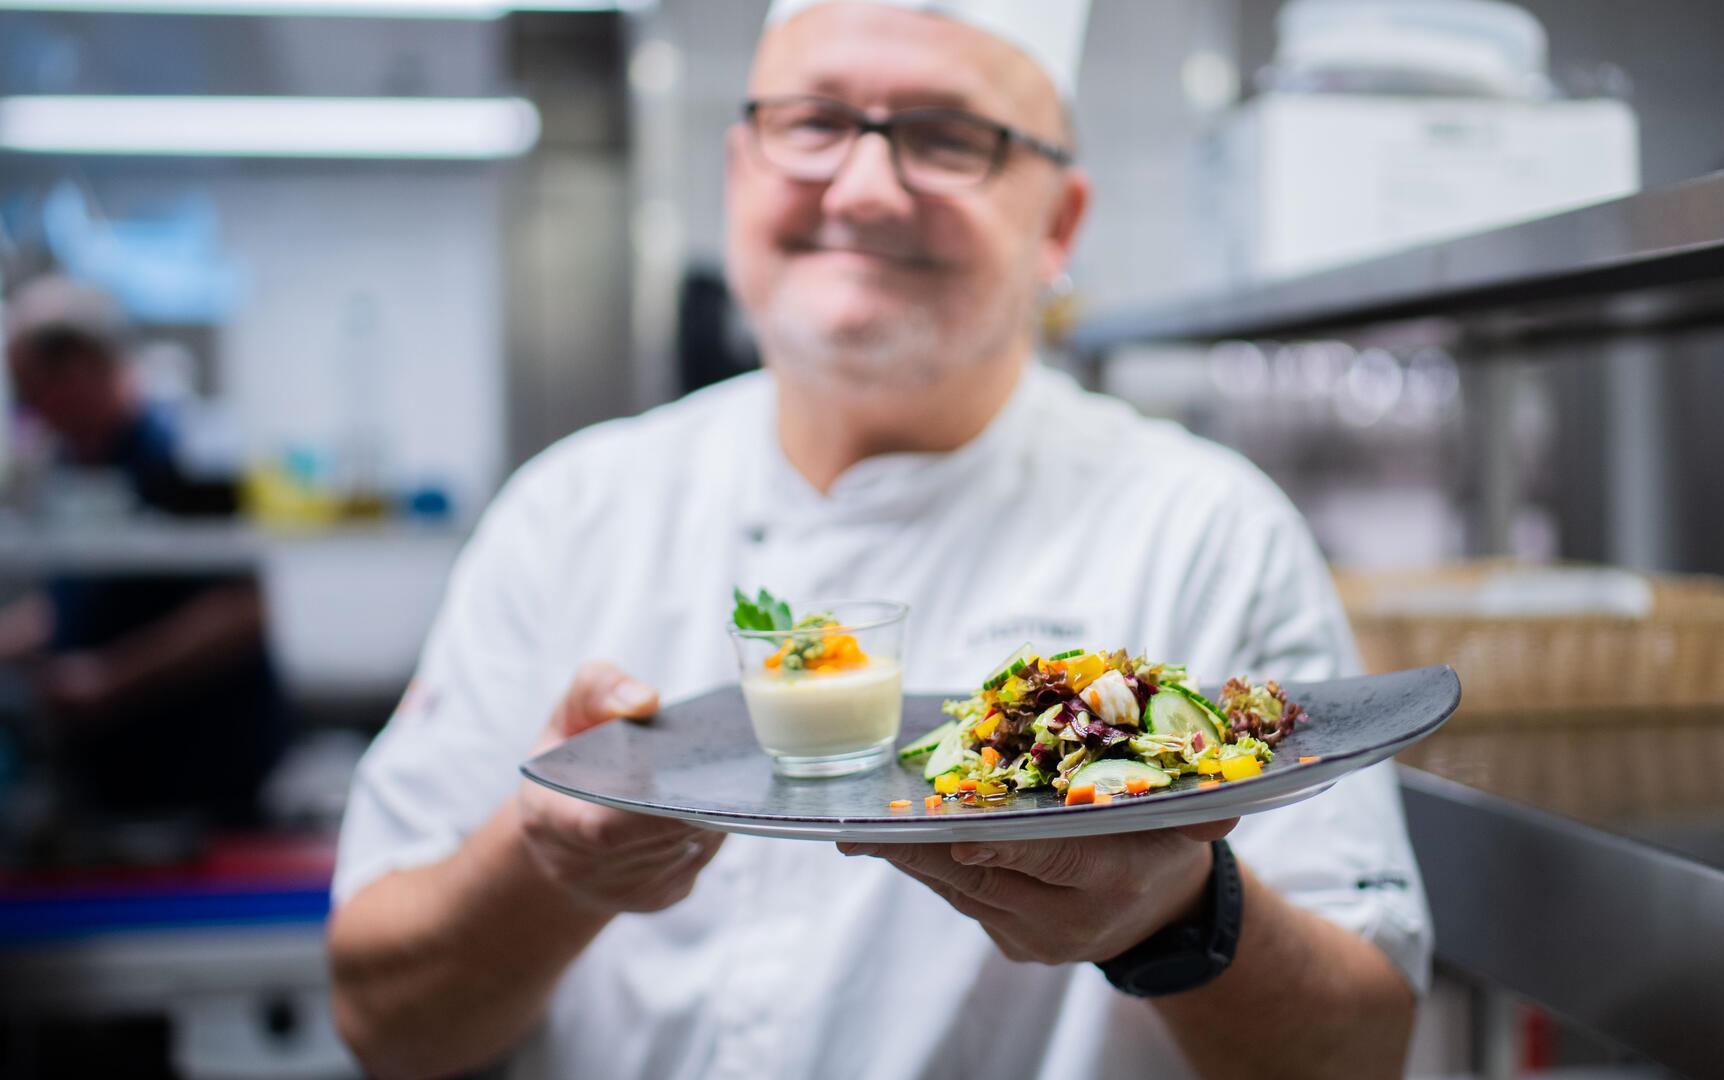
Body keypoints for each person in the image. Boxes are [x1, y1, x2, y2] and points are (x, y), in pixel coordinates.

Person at [327, 2, 1432, 1077]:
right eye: (812, 123)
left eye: (947, 137)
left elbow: (1360, 1048)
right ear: (737, 171)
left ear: (1058, 222)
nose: (861, 187)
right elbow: (384, 1025)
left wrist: (1176, 917)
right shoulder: (569, 514)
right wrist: (547, 865)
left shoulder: (1206, 533)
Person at [0, 276, 284, 825]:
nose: (32, 414)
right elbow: (86, 601)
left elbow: (242, 611)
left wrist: (110, 679)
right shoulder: (76, 462)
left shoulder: (188, 448)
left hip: (201, 781)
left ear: (80, 368)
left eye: (33, 393)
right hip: (117, 781)